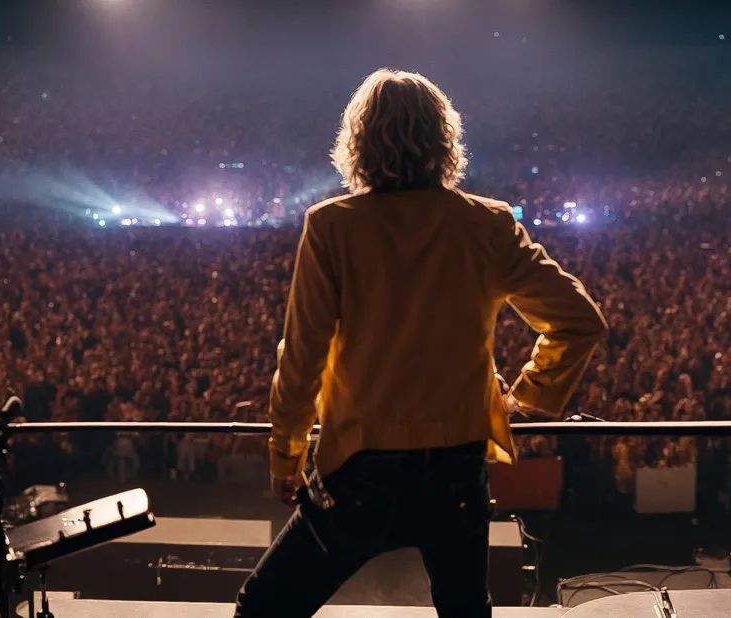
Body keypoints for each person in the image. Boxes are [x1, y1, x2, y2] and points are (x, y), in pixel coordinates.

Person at [233, 69, 608, 618]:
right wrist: (525, 395)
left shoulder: (330, 227)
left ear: (358, 141)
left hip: (360, 471)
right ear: (443, 140)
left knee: (262, 610)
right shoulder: (487, 223)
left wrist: (285, 457)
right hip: (456, 468)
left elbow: (302, 359)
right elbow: (580, 321)